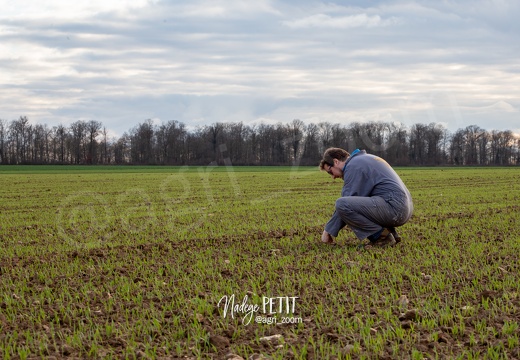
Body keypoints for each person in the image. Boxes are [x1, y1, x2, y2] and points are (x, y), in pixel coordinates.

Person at [319, 147, 413, 247]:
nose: (333, 177)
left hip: (395, 209)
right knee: (364, 201)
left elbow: (346, 203)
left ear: (336, 161)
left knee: (342, 204)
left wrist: (328, 231)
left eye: (330, 172)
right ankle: (390, 233)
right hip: (402, 208)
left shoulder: (353, 166)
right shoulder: (364, 159)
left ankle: (382, 238)